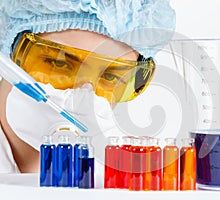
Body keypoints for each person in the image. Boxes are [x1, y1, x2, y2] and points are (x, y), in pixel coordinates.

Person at [0, 0, 175, 181]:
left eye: (110, 77)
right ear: (7, 55)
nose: (83, 93)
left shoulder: (115, 177)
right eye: (59, 64)